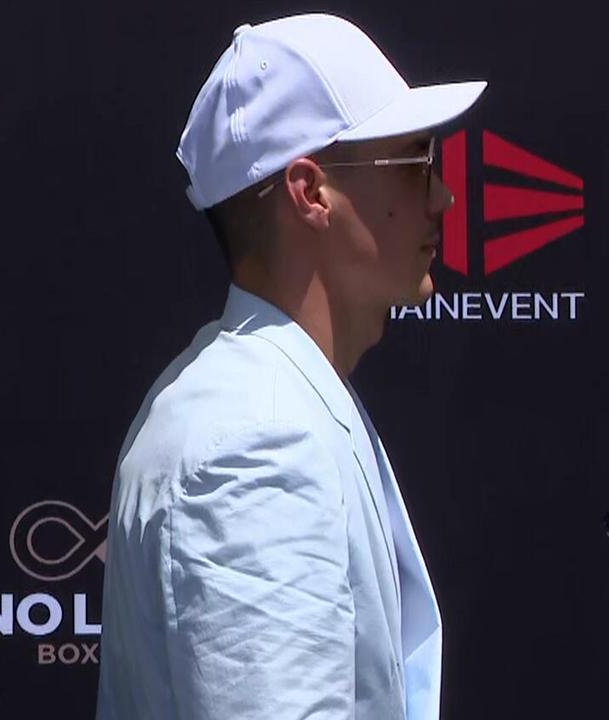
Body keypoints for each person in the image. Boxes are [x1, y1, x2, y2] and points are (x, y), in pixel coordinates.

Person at [96, 14, 485, 719]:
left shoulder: (263, 402)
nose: (443, 196)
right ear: (310, 194)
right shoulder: (256, 437)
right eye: (416, 161)